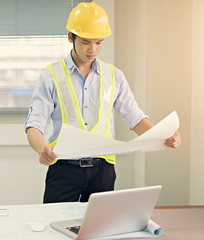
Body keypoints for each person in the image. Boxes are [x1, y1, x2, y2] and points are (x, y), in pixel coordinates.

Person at [24, 2, 181, 204]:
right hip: (64, 170)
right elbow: (34, 124)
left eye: (99, 42)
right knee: (55, 229)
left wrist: (162, 136)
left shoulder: (114, 75)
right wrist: (41, 148)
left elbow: (134, 117)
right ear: (71, 37)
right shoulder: (50, 76)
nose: (93, 50)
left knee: (100, 231)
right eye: (86, 42)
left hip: (103, 171)